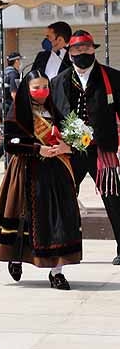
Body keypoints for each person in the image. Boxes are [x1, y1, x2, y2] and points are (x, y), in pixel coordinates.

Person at [0, 70, 80, 290]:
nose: (42, 91)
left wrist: (68, 147)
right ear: (27, 89)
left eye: (45, 86)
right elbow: (10, 144)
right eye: (36, 87)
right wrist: (38, 149)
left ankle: (57, 272)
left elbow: (74, 138)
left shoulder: (55, 111)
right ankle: (16, 257)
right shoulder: (17, 114)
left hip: (56, 173)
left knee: (58, 221)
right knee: (23, 219)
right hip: (26, 172)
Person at [50, 30, 120, 265]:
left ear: (93, 50)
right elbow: (52, 116)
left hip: (102, 150)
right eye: (77, 50)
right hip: (71, 152)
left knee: (113, 198)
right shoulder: (58, 82)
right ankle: (60, 247)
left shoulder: (112, 77)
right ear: (69, 53)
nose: (82, 54)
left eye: (87, 49)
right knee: (63, 198)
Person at [0, 52, 24, 177]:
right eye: (19, 60)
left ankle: (6, 165)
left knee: (10, 136)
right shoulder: (13, 73)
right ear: (16, 61)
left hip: (1, 107)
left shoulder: (2, 73)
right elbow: (14, 94)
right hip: (9, 107)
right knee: (10, 136)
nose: (20, 63)